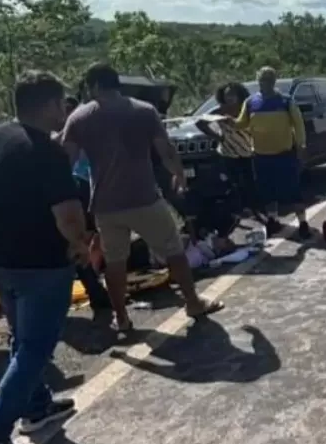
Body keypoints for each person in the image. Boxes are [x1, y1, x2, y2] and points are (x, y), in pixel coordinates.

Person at [0, 71, 88, 444]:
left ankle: (36, 406)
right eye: (61, 104)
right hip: (41, 263)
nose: (64, 112)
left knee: (22, 335)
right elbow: (67, 213)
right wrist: (80, 244)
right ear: (49, 104)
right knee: (35, 347)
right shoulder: (47, 151)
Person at [61, 63, 223, 333]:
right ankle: (193, 302)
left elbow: (65, 161)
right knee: (173, 251)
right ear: (116, 84)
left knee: (115, 262)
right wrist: (179, 176)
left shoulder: (79, 117)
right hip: (144, 198)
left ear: (94, 86)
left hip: (105, 205)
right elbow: (166, 150)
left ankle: (122, 318)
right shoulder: (143, 111)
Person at [234, 66, 311, 238]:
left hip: (284, 154)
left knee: (293, 191)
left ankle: (303, 223)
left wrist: (301, 145)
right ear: (258, 81)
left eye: (268, 80)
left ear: (274, 81)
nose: (265, 84)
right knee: (267, 192)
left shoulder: (285, 101)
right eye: (262, 80)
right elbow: (241, 123)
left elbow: (298, 125)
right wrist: (225, 120)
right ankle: (272, 221)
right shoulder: (251, 102)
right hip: (262, 156)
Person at [196, 82, 257, 216]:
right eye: (227, 94)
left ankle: (252, 207)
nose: (229, 97)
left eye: (232, 94)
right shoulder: (219, 111)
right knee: (234, 182)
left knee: (250, 181)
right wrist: (217, 136)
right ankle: (239, 209)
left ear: (239, 95)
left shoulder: (247, 109)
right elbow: (200, 123)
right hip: (228, 152)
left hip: (247, 150)